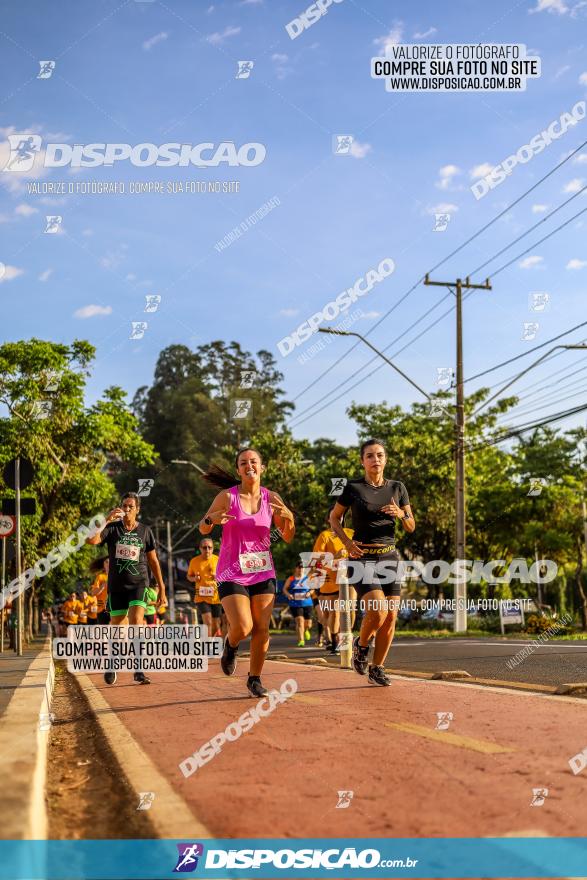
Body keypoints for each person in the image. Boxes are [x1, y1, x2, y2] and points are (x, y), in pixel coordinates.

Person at [198, 448, 295, 697]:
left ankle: (254, 679)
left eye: (254, 462)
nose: (249, 465)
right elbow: (203, 528)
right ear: (239, 469)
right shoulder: (227, 497)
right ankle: (230, 645)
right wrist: (212, 520)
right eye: (243, 463)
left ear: (262, 467)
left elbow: (287, 537)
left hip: (263, 571)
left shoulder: (272, 498)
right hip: (232, 572)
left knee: (262, 628)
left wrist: (290, 518)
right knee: (242, 626)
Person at [329, 438, 415, 686]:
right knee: (378, 611)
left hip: (389, 557)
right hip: (361, 556)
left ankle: (377, 668)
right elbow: (334, 519)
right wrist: (346, 543)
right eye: (369, 456)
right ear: (362, 461)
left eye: (379, 455)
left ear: (385, 459)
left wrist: (401, 514)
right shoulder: (352, 488)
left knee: (390, 618)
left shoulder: (398, 488)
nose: (375, 460)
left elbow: (410, 526)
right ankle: (361, 644)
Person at [86, 492, 166, 686]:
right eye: (124, 506)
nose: (127, 509)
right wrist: (107, 519)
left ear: (137, 509)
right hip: (117, 585)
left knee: (137, 620)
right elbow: (92, 540)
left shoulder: (145, 531)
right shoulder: (112, 528)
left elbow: (153, 561)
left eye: (131, 506)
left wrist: (162, 588)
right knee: (117, 626)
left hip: (139, 583)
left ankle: (139, 669)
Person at [311, 509, 354, 655]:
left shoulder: (351, 533)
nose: (338, 518)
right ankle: (335, 641)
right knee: (335, 612)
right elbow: (317, 562)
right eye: (334, 516)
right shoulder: (325, 536)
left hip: (351, 576)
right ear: (329, 519)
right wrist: (335, 557)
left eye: (340, 515)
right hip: (332, 581)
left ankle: (346, 641)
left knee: (350, 608)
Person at [187, 539, 222, 637]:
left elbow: (225, 576)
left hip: (216, 597)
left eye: (209, 547)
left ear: (212, 549)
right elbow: (189, 576)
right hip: (201, 596)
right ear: (200, 548)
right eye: (204, 547)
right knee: (208, 622)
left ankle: (210, 640)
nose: (207, 550)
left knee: (216, 624)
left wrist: (218, 576)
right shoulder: (194, 561)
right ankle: (208, 645)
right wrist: (194, 578)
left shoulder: (218, 559)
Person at [283, 562, 313, 647]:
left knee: (308, 624)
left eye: (302, 567)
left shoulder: (307, 578)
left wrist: (309, 593)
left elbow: (313, 589)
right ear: (296, 568)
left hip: (307, 603)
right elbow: (284, 589)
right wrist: (288, 595)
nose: (301, 569)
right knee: (300, 621)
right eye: (299, 567)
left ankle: (306, 630)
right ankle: (301, 640)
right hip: (295, 603)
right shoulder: (291, 578)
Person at [89, 558, 110, 625]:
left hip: (115, 608)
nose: (108, 564)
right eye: (106, 562)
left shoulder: (117, 576)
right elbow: (93, 593)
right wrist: (103, 585)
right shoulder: (100, 577)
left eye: (110, 562)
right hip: (102, 609)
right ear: (103, 565)